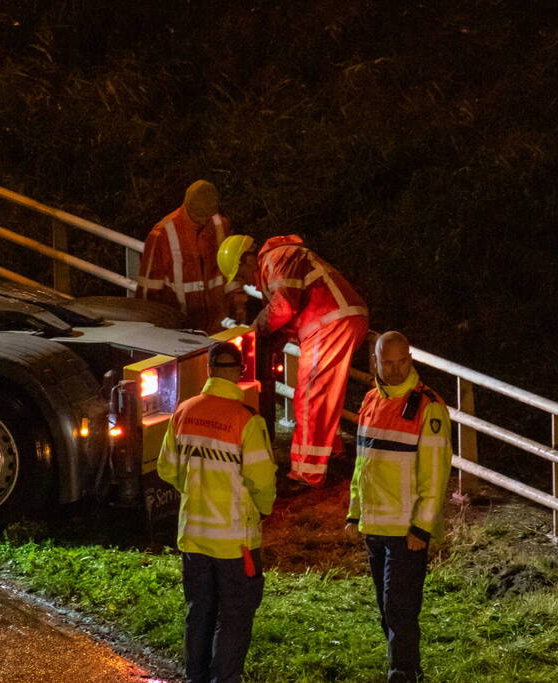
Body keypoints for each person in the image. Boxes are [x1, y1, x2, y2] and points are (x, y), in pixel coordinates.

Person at [157, 341, 277, 683]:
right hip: (235, 544)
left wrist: (194, 488)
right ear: (239, 373)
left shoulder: (184, 411)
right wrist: (263, 509)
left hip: (193, 537)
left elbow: (167, 469)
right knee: (235, 617)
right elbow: (262, 481)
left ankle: (195, 678)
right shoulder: (246, 421)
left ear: (208, 371)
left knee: (199, 614)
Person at [217, 233, 368, 487]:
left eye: (242, 276)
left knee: (311, 395)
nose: (248, 284)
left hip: (329, 321)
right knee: (322, 394)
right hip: (331, 320)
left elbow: (284, 306)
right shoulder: (278, 260)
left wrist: (255, 329)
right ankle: (330, 450)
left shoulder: (275, 258)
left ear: (247, 260)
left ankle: (306, 473)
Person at [344, 331, 452, 683]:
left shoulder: (427, 405)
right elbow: (363, 464)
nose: (394, 368)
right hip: (374, 526)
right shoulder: (371, 400)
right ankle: (406, 670)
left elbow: (435, 473)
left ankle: (402, 674)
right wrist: (354, 511)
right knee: (386, 610)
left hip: (406, 531)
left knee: (399, 610)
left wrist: (422, 527)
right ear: (375, 361)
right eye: (387, 362)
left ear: (410, 359)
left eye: (401, 361)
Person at [138, 180, 242, 333]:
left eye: (207, 216)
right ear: (186, 206)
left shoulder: (221, 225)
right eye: (198, 216)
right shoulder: (162, 234)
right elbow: (149, 290)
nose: (203, 221)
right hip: (181, 329)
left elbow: (232, 271)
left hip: (219, 325)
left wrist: (238, 304)